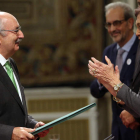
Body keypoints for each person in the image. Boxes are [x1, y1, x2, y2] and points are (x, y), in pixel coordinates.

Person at [88, 8, 140, 140]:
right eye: (109, 24)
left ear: (130, 23)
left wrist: (134, 114)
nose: (112, 29)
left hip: (136, 127)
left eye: (116, 23)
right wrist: (103, 79)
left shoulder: (139, 47)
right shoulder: (109, 51)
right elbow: (95, 91)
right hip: (117, 128)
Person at [0, 11, 51, 140]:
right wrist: (10, 133)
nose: (21, 35)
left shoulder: (11, 64)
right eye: (16, 31)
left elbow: (11, 111)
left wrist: (32, 125)